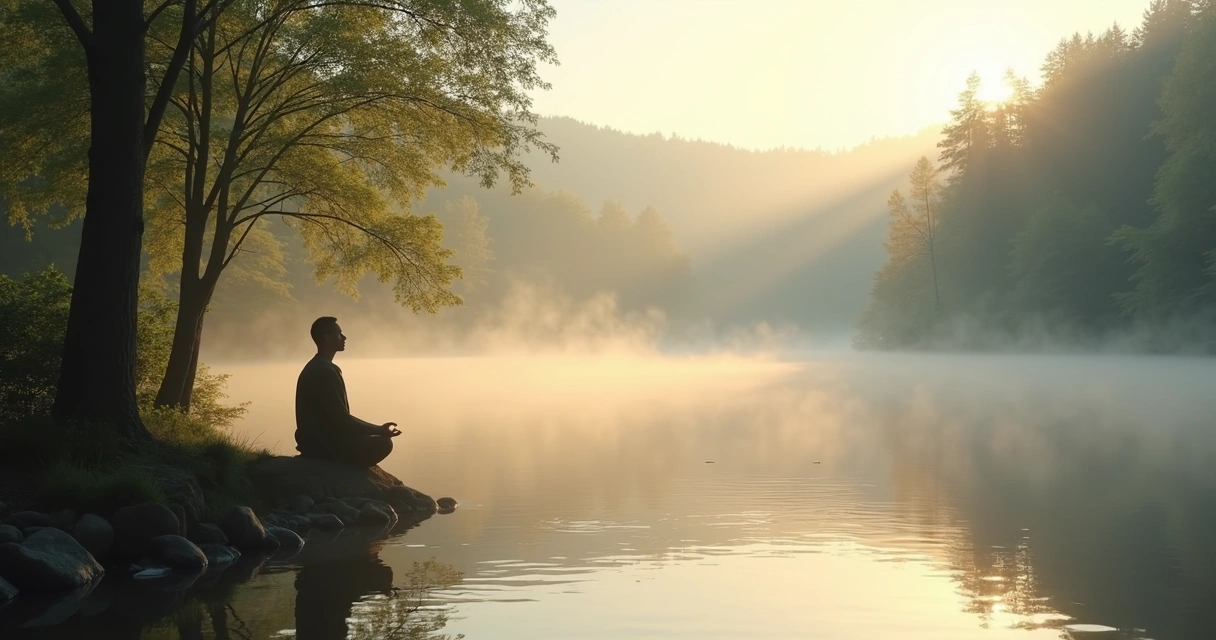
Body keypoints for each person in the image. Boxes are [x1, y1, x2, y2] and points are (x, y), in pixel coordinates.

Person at [295, 316, 400, 467]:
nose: (344, 337)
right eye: (339, 333)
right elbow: (341, 419)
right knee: (384, 443)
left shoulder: (318, 366)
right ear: (327, 338)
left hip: (314, 441)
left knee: (371, 437)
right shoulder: (324, 371)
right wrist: (379, 429)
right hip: (322, 446)